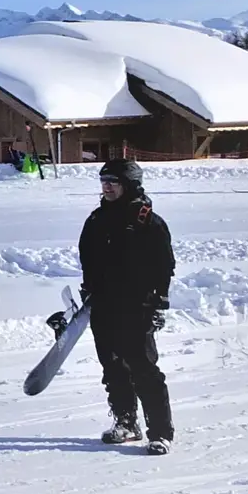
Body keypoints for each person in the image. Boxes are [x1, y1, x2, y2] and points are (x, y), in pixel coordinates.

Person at [78, 159, 176, 454]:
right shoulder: (96, 220)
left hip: (137, 306)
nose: (106, 187)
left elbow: (164, 266)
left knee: (143, 368)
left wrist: (159, 302)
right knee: (113, 367)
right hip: (104, 304)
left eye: (113, 182)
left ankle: (160, 431)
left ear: (129, 184)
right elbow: (88, 260)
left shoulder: (148, 221)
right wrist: (88, 293)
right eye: (103, 181)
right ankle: (126, 422)